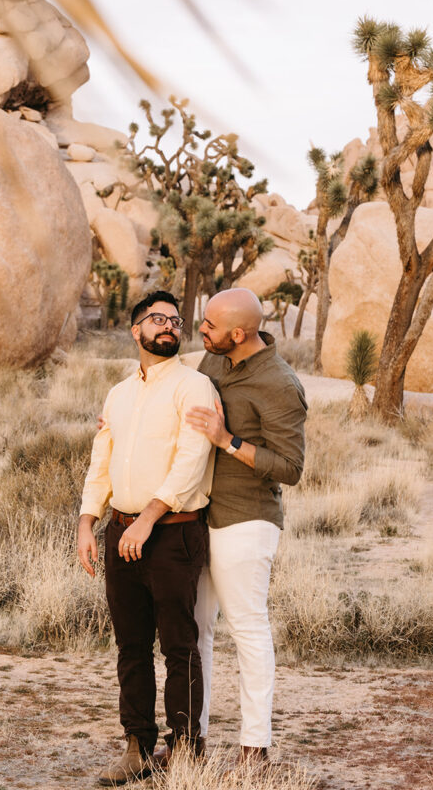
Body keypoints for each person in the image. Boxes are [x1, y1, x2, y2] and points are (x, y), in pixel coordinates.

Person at [77, 290, 217, 786]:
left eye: (176, 321)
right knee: (131, 646)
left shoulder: (194, 386)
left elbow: (191, 460)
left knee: (180, 646)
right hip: (120, 532)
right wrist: (87, 522)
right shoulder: (119, 394)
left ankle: (184, 753)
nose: (169, 327)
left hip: (173, 536)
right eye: (157, 319)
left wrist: (147, 519)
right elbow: (102, 460)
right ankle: (137, 746)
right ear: (135, 331)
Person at [185, 287, 307, 770]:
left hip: (248, 518)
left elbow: (291, 468)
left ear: (239, 333)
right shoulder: (212, 363)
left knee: (247, 628)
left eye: (211, 326)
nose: (202, 330)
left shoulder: (280, 383)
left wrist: (227, 440)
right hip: (199, 513)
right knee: (194, 629)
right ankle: (191, 737)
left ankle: (254, 749)